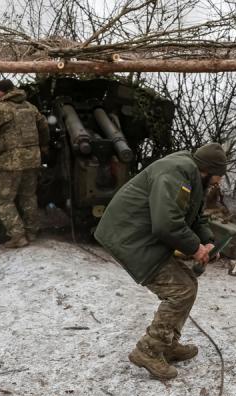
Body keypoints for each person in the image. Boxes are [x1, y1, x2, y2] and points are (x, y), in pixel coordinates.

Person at [94, 143, 227, 380]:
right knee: (181, 289)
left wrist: (208, 243)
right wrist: (195, 248)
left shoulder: (191, 175)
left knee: (187, 284)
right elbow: (167, 224)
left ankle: (167, 343)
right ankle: (149, 350)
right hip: (130, 236)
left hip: (141, 234)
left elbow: (195, 217)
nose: (218, 182)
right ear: (208, 170)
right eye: (218, 176)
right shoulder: (176, 174)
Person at [0, 79, 50, 248]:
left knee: (5, 200)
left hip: (10, 161)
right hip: (32, 158)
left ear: (2, 92)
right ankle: (32, 232)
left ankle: (18, 236)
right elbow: (44, 126)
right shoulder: (30, 107)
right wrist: (43, 145)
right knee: (28, 196)